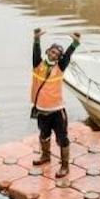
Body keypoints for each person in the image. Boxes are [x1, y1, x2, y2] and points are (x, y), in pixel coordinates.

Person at [30, 28, 80, 177]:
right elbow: (35, 52)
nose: (53, 55)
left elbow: (68, 55)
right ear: (47, 52)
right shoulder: (37, 65)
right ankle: (45, 156)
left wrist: (75, 43)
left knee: (62, 139)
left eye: (57, 54)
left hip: (57, 111)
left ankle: (65, 166)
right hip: (41, 109)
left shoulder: (60, 67)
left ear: (59, 58)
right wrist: (36, 39)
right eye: (51, 52)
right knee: (43, 135)